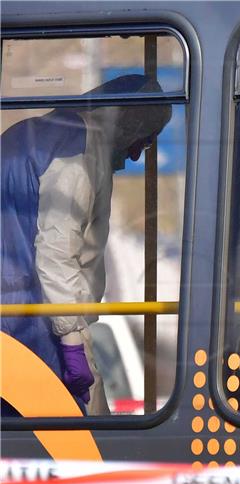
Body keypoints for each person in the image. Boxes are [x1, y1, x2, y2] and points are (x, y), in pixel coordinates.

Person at [1, 74, 172, 415]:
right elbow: (55, 254)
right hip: (38, 330)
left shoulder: (29, 134)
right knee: (82, 450)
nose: (137, 156)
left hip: (12, 327)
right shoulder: (78, 153)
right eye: (144, 140)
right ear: (126, 123)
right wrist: (71, 343)